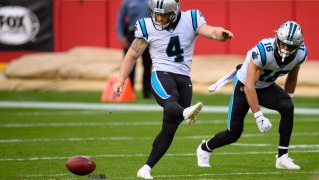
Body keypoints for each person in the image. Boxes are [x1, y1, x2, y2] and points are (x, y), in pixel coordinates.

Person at [113, 0, 234, 178]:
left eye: (164, 14)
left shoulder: (190, 18)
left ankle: (145, 168)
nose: (159, 18)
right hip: (161, 74)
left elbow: (211, 31)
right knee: (170, 101)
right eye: (156, 13)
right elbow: (132, 54)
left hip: (184, 79)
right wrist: (121, 80)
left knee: (169, 128)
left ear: (175, 12)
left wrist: (222, 34)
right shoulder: (146, 25)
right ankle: (185, 112)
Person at [196, 21, 307, 170]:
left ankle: (282, 157)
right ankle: (205, 148)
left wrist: (288, 98)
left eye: (291, 46)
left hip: (266, 86)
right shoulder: (263, 50)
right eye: (283, 44)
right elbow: (249, 86)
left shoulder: (300, 54)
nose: (285, 49)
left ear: (298, 45)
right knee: (233, 133)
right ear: (276, 39)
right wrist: (259, 116)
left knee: (287, 106)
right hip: (244, 85)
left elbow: (292, 77)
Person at [116, 0, 153, 99]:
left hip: (148, 33)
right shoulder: (127, 2)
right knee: (130, 63)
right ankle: (128, 91)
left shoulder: (151, 1)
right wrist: (121, 36)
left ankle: (148, 92)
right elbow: (120, 19)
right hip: (132, 33)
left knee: (148, 64)